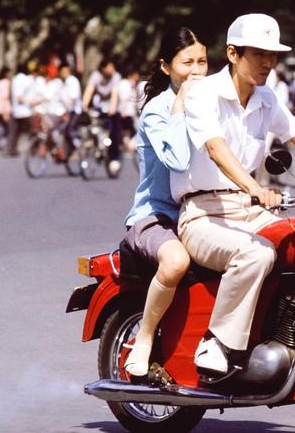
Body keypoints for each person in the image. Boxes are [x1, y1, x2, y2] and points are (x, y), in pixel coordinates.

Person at [171, 13, 295, 374]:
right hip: (203, 214)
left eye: (273, 54)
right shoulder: (202, 93)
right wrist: (254, 187)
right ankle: (217, 344)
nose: (268, 62)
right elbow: (215, 147)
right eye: (258, 53)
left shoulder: (266, 97)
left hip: (248, 209)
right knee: (254, 255)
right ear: (233, 54)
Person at [122, 27, 208, 379]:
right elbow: (176, 160)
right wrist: (181, 104)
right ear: (166, 67)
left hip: (202, 212)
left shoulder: (215, 106)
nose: (197, 71)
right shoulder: (156, 111)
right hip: (155, 217)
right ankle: (143, 337)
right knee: (175, 261)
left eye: (202, 61)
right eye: (187, 63)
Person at [82, 58, 123, 173]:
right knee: (94, 126)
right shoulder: (96, 76)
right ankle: (97, 147)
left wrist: (112, 109)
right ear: (102, 69)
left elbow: (115, 94)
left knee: (113, 132)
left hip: (113, 107)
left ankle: (115, 157)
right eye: (109, 67)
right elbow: (89, 91)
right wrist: (84, 106)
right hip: (100, 106)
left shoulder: (116, 77)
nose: (111, 70)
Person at [8, 63, 35, 156]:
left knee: (15, 132)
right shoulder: (26, 79)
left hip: (16, 110)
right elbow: (20, 96)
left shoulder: (14, 79)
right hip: (26, 110)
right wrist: (30, 102)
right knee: (32, 131)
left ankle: (12, 149)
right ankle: (34, 150)